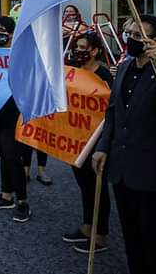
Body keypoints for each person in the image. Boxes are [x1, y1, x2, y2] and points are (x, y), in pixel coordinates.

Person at [92, 15, 156, 274]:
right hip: (120, 166)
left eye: (136, 35)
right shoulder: (123, 68)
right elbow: (112, 112)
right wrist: (102, 147)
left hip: (150, 166)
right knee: (130, 232)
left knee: (155, 233)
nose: (129, 39)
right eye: (128, 33)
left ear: (154, 41)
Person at [60, 32, 113, 254]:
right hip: (76, 137)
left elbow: (111, 111)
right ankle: (86, 227)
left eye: (83, 47)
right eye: (77, 46)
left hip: (96, 141)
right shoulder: (75, 70)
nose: (78, 51)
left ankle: (99, 236)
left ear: (94, 51)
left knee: (96, 188)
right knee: (84, 185)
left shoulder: (104, 76)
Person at [0, 17, 31, 223]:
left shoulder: (22, 53)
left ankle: (22, 200)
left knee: (11, 155)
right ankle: (6, 195)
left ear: (11, 33)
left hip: (13, 111)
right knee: (3, 153)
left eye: (1, 30)